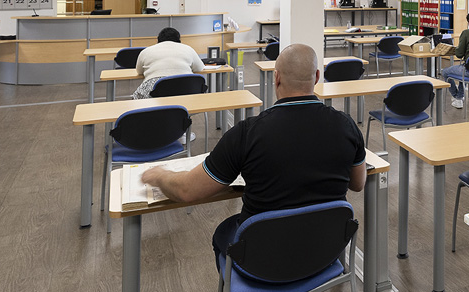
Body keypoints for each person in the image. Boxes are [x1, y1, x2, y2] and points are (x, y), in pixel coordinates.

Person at [141, 43, 366, 267]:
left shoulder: (247, 133)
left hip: (262, 260)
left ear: (276, 77)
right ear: (317, 76)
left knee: (224, 232)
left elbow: (186, 190)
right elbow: (358, 183)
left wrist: (160, 175)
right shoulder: (347, 126)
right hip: (325, 251)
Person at [132, 27, 205, 99]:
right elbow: (199, 68)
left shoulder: (146, 51)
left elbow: (139, 71)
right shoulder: (188, 49)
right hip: (186, 87)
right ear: (179, 39)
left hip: (156, 89)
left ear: (158, 40)